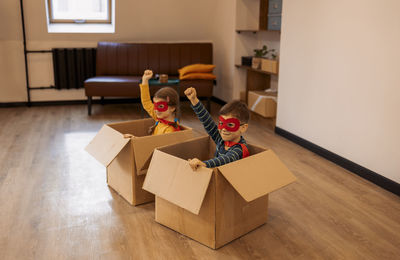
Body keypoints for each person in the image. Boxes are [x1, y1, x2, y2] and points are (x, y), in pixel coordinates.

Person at [184, 87, 250, 170]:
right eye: (221, 123)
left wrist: (204, 164)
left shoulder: (239, 149)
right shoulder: (222, 140)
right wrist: (194, 100)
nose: (224, 129)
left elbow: (225, 159)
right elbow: (208, 122)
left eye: (230, 125)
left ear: (243, 128)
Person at [125, 70, 181, 137]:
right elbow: (146, 102)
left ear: (172, 108)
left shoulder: (170, 131)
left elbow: (156, 144)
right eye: (155, 105)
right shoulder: (159, 117)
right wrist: (145, 80)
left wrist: (135, 139)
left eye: (160, 106)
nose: (156, 110)